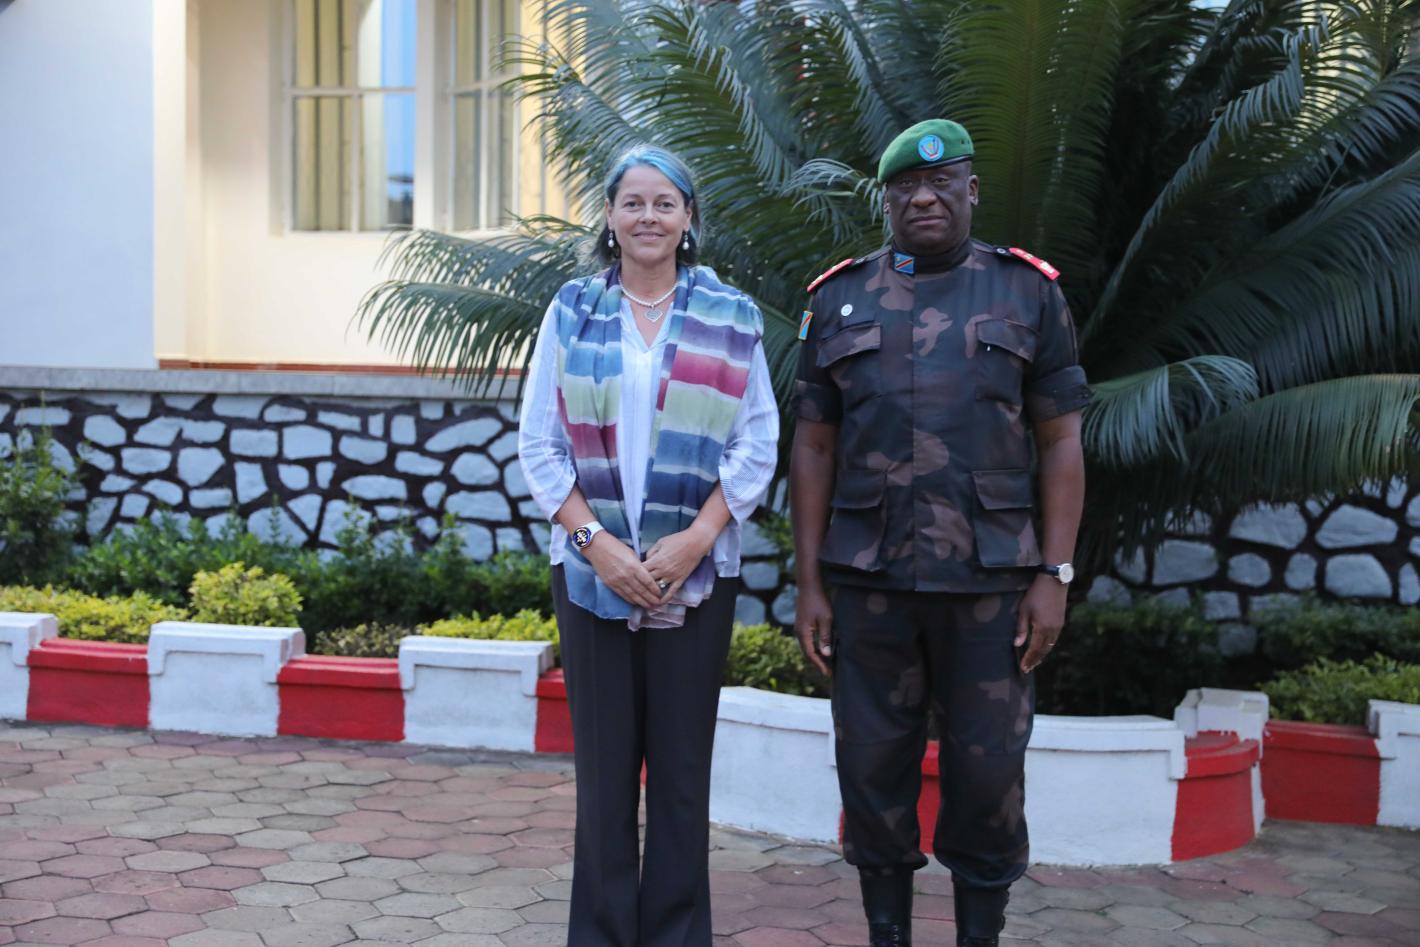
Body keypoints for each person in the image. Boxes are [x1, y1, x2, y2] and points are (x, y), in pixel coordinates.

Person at [789, 119, 1088, 947]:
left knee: (988, 776)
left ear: (971, 190)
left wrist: (1055, 574)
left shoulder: (1028, 293)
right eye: (905, 187)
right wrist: (809, 583)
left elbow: (1062, 440)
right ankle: (888, 933)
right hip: (869, 583)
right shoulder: (838, 298)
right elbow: (813, 447)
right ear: (886, 199)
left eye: (941, 181)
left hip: (993, 589)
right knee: (870, 770)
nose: (923, 197)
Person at [517, 144, 779, 947]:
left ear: (688, 217)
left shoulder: (730, 316)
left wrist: (696, 538)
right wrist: (596, 545)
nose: (648, 217)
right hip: (591, 572)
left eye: (665, 203)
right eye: (632, 202)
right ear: (608, 214)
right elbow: (539, 444)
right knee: (603, 781)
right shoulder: (571, 310)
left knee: (679, 777)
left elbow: (757, 442)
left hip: (695, 575)